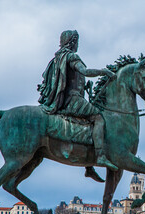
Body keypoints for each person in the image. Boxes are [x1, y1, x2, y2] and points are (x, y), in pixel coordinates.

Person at [38, 30, 118, 178]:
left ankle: (89, 167)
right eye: (77, 42)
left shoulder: (57, 58)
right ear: (73, 42)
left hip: (63, 99)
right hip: (72, 100)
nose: (77, 45)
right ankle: (100, 156)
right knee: (98, 118)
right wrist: (103, 72)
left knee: (87, 122)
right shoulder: (72, 56)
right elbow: (85, 71)